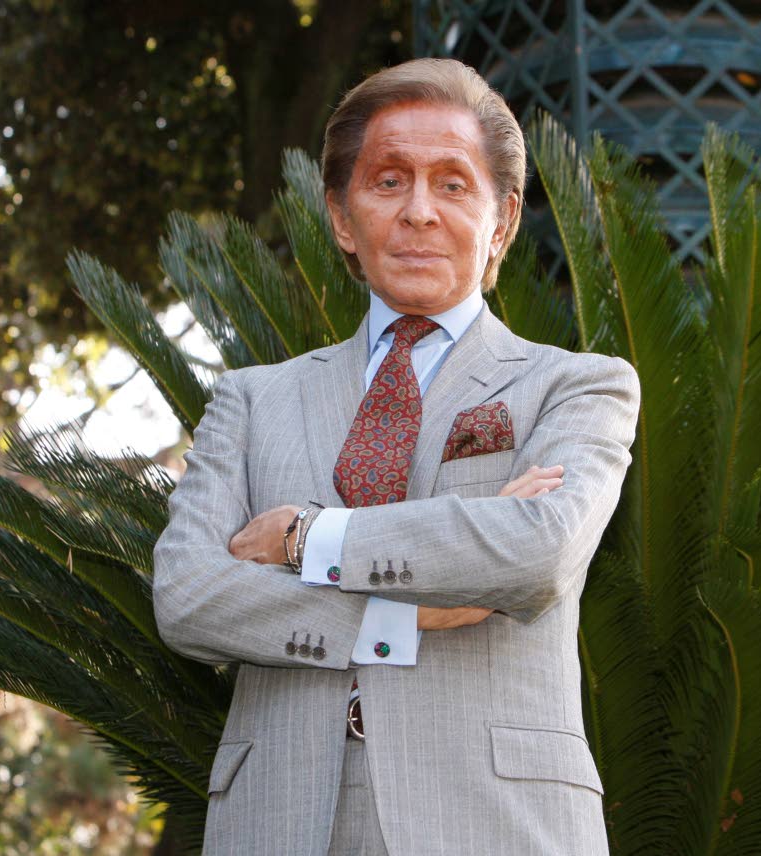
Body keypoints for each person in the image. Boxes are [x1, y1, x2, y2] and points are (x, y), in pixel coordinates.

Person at [152, 57, 639, 856]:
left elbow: (538, 550)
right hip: (277, 822)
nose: (418, 211)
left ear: (502, 220)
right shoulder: (251, 400)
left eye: (452, 184)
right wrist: (398, 620)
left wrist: (305, 538)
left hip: (497, 824)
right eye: (388, 181)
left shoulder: (577, 386)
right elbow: (188, 596)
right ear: (342, 217)